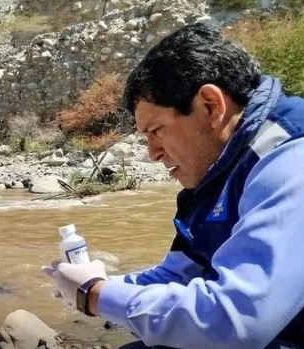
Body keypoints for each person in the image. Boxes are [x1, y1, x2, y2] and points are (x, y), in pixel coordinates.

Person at [42, 23, 304, 349]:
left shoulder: (291, 160)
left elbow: (237, 322)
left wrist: (95, 295)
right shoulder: (217, 175)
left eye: (156, 130)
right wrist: (102, 283)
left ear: (210, 105)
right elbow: (179, 275)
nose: (152, 153)